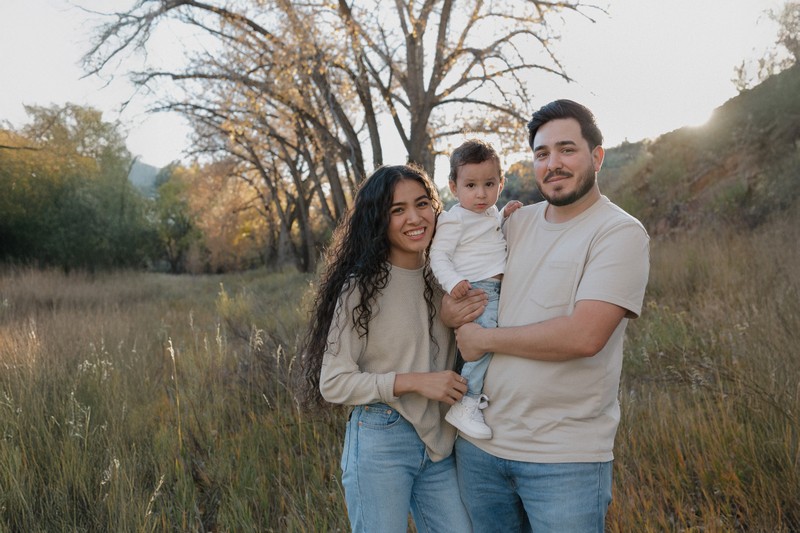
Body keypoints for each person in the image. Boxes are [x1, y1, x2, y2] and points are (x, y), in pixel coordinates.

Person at [443, 99, 650, 532]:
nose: (553, 163)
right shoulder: (513, 222)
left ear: (596, 156)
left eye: (566, 149)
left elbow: (583, 336)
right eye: (542, 154)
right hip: (481, 451)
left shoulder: (619, 233)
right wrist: (450, 311)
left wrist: (484, 340)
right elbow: (467, 286)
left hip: (563, 459)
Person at [300, 164, 472, 533]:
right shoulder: (360, 287)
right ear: (378, 219)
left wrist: (508, 216)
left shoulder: (447, 277)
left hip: (441, 444)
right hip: (382, 437)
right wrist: (415, 382)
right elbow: (333, 383)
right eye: (397, 210)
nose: (414, 218)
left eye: (422, 204)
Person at [430, 139, 522, 440]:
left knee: (497, 343)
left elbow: (493, 237)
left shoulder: (489, 214)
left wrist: (505, 216)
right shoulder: (453, 219)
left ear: (501, 183)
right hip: (475, 290)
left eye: (489, 184)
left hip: (497, 289)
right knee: (482, 347)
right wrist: (453, 282)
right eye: (470, 185)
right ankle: (466, 402)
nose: (481, 193)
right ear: (454, 188)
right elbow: (438, 256)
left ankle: (478, 397)